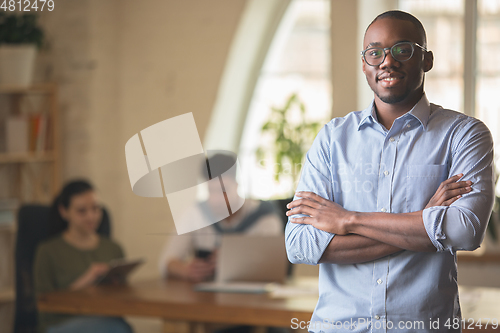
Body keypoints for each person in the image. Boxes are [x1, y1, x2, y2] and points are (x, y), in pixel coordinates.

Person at [285, 10, 494, 333]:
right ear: (365, 63)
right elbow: (300, 244)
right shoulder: (332, 138)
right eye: (375, 52)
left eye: (402, 50)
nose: (387, 61)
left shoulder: (464, 135)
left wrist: (347, 220)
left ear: (427, 60)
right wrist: (423, 219)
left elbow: (464, 231)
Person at [159, 153, 284, 283]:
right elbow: (166, 261)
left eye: (223, 190)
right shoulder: (196, 213)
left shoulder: (264, 217)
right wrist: (186, 270)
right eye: (211, 191)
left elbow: (274, 265)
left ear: (236, 186)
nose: (217, 200)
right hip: (207, 298)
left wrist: (235, 260)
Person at [34, 180, 133, 333]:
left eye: (95, 209)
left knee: (117, 326)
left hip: (105, 318)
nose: (91, 216)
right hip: (60, 323)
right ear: (64, 211)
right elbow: (44, 302)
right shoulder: (48, 251)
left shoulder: (113, 248)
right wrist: (88, 279)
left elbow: (123, 299)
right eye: (82, 211)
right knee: (118, 329)